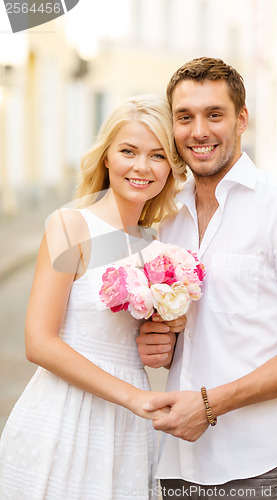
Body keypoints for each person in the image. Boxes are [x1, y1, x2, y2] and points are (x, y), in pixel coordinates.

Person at [136, 57, 277, 499]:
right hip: (176, 464)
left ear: (242, 120)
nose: (199, 131)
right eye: (185, 117)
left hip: (259, 466)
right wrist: (157, 342)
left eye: (215, 114)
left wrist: (209, 406)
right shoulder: (166, 218)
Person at [0, 94, 187, 499]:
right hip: (66, 412)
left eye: (157, 156)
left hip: (128, 426)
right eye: (128, 151)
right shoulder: (71, 225)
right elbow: (39, 342)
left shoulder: (158, 245)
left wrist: (163, 341)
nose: (142, 166)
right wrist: (135, 397)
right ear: (106, 157)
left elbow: (141, 341)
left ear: (171, 168)